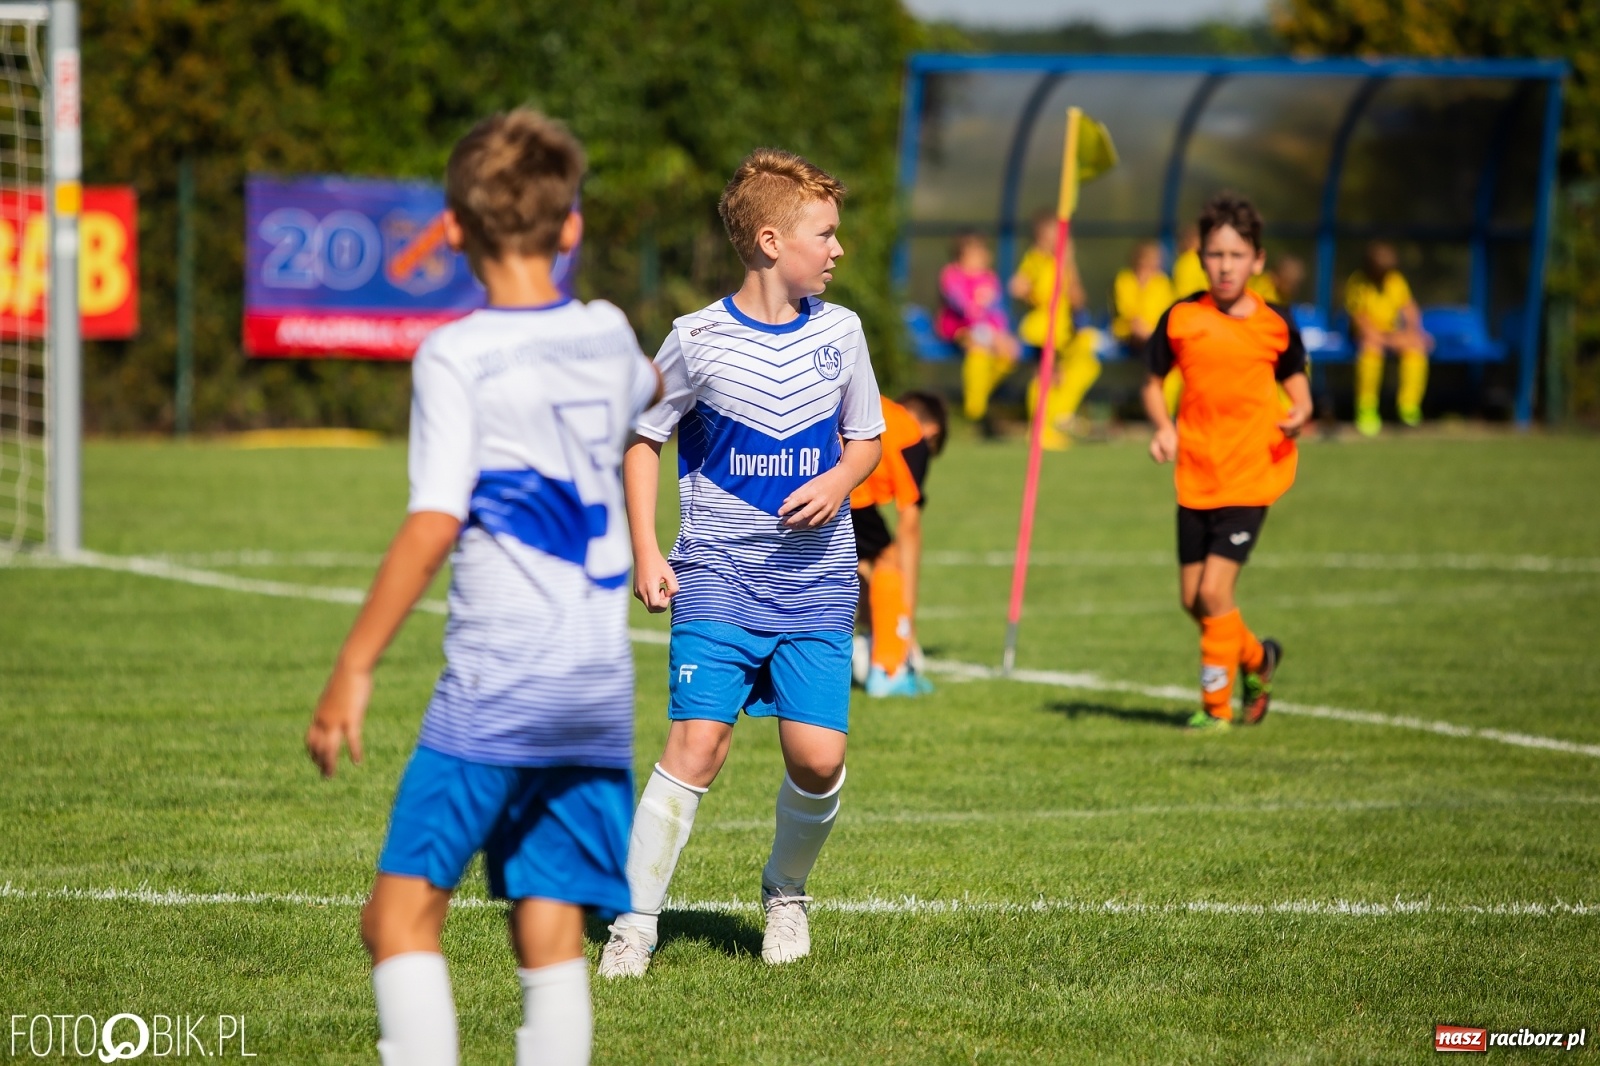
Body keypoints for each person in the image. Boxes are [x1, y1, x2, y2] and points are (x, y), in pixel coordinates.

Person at [303, 110, 661, 1066]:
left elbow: (433, 523)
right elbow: (648, 400)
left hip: (498, 685)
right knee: (550, 933)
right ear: (572, 227)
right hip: (593, 689)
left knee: (399, 920)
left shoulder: (456, 355)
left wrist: (354, 664)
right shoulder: (608, 332)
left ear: (453, 231)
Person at [599, 148, 884, 977]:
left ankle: (785, 894)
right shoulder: (696, 339)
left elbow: (867, 440)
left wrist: (837, 479)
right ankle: (636, 924)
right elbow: (643, 439)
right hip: (718, 578)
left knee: (818, 758)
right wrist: (648, 549)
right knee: (697, 745)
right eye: (824, 235)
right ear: (769, 240)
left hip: (818, 582)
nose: (837, 251)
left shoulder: (843, 332)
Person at [1140, 192, 1312, 731]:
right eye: (1215, 255)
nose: (1226, 266)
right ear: (1200, 259)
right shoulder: (1181, 318)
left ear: (1258, 260)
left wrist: (1301, 411)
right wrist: (1164, 426)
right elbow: (1152, 383)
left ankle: (1216, 711)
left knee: (1216, 592)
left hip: (1252, 473)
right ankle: (1258, 659)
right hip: (1196, 474)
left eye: (1237, 255)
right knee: (1194, 600)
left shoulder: (1276, 324)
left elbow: (1297, 385)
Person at [850, 390, 947, 697]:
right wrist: (908, 621)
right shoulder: (911, 435)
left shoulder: (881, 408)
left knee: (864, 565)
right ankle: (890, 668)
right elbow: (910, 526)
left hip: (804, 474)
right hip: (847, 491)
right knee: (890, 561)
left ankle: (872, 638)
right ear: (932, 432)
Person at [1008, 212, 1100, 450]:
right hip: (1042, 329)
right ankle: (1039, 428)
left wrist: (1070, 262)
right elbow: (1017, 286)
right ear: (1040, 237)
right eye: (1053, 235)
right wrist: (1030, 294)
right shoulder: (1035, 259)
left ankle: (1058, 418)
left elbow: (1078, 299)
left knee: (1086, 365)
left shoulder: (1063, 262)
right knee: (1046, 376)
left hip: (1064, 331)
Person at [1346, 241, 1430, 436]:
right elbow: (1361, 321)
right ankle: (1366, 408)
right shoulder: (1357, 282)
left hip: (1390, 333)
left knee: (1416, 348)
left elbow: (1410, 309)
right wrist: (1386, 340)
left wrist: (1412, 332)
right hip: (1367, 334)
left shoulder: (1396, 280)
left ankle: (1408, 407)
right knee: (1371, 350)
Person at [939, 232, 1018, 435]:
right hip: (960, 328)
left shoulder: (990, 279)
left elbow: (998, 311)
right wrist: (977, 313)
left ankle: (980, 398)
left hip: (987, 331)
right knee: (978, 350)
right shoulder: (952, 275)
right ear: (961, 256)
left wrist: (1000, 334)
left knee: (1009, 352)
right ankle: (975, 411)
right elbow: (960, 305)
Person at [1112, 239, 1175, 352]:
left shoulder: (1162, 282)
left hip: (1154, 330)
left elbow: (1165, 311)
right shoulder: (1124, 279)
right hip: (1128, 331)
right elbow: (1126, 310)